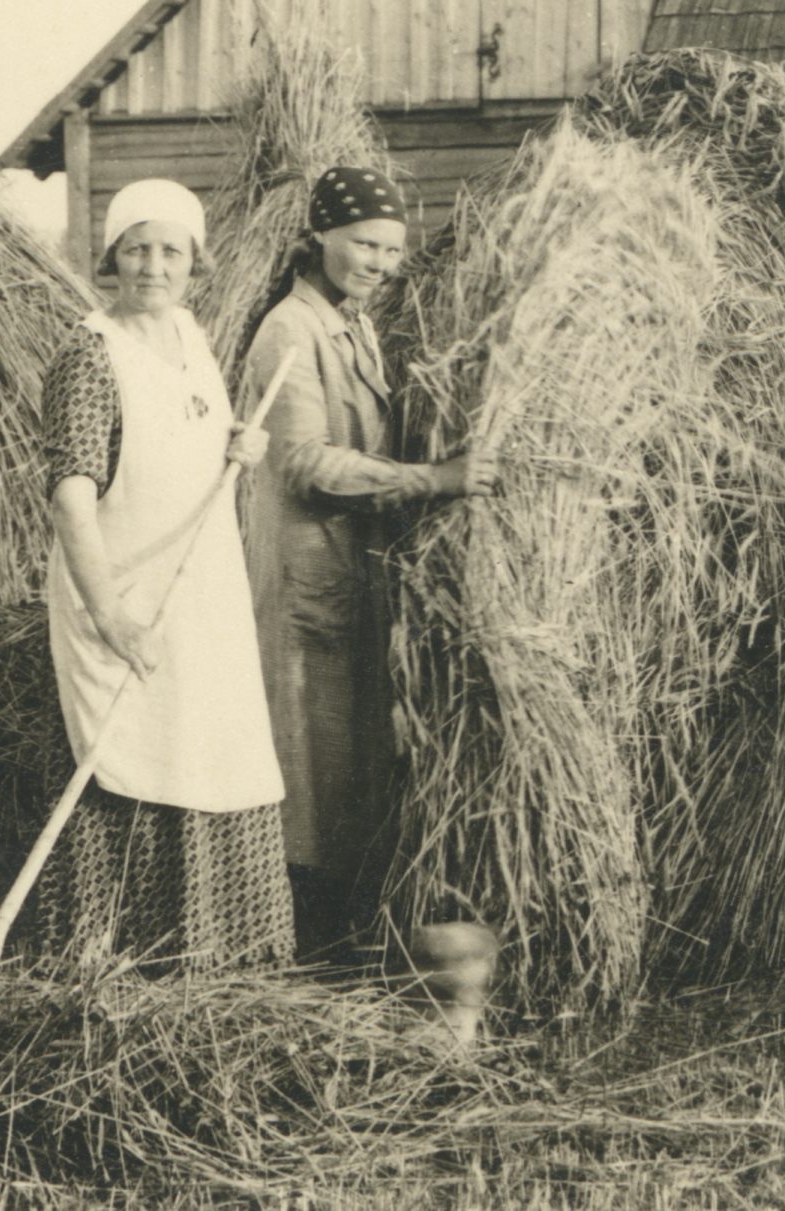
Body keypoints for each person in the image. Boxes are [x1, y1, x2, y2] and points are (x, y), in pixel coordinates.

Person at [233, 165, 491, 958]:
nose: (378, 262)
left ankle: (333, 939)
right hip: (305, 579)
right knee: (307, 771)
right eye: (363, 243)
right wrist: (434, 481)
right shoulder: (291, 328)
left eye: (389, 248)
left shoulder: (352, 323)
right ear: (321, 237)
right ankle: (300, 949)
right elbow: (308, 462)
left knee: (344, 765)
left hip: (346, 573)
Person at [38, 178, 292, 970]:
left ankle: (216, 960)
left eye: (170, 250)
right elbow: (72, 499)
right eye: (137, 248)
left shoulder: (189, 336)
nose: (153, 266)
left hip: (201, 596)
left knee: (215, 748)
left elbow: (185, 445)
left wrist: (237, 447)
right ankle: (125, 960)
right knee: (137, 761)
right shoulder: (89, 354)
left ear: (195, 262)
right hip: (125, 598)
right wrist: (110, 613)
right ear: (111, 256)